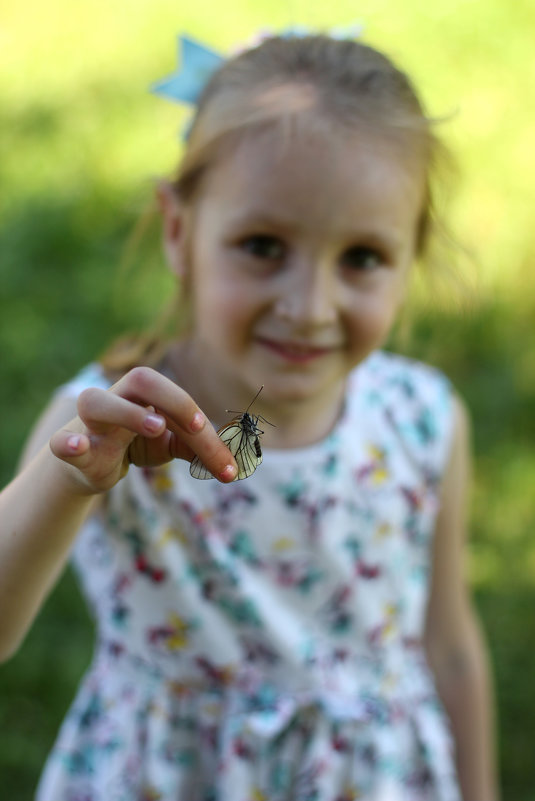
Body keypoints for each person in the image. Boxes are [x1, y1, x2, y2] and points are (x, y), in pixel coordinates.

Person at [0, 31, 498, 801]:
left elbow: (450, 642)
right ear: (178, 230)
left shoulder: (424, 418)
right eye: (263, 245)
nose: (308, 307)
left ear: (411, 255)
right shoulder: (105, 424)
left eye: (361, 257)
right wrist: (67, 481)